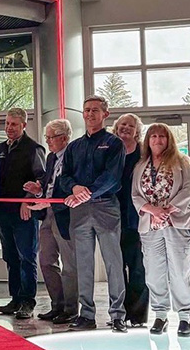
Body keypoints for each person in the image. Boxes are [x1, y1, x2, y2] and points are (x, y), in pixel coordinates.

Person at [60, 95, 127, 333]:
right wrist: (74, 188)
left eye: (95, 110)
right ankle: (86, 315)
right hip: (79, 211)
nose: (89, 114)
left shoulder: (114, 143)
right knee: (84, 264)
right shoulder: (74, 147)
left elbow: (112, 177)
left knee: (113, 263)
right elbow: (64, 176)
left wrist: (86, 193)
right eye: (86, 110)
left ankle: (117, 315)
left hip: (106, 207)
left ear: (105, 114)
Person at [131, 123, 190, 337]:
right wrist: (152, 211)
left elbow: (188, 189)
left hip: (175, 222)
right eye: (153, 136)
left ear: (169, 139)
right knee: (154, 272)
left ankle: (184, 317)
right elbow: (135, 195)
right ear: (147, 140)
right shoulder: (141, 165)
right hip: (150, 225)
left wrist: (166, 211)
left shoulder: (182, 161)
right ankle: (160, 315)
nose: (157, 140)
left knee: (180, 271)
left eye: (162, 136)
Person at [24, 119, 77, 324]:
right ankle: (57, 305)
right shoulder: (50, 157)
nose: (47, 141)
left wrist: (50, 200)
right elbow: (49, 185)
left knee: (69, 265)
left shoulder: (73, 156)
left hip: (66, 214)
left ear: (64, 138)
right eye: (46, 137)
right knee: (46, 261)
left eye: (51, 137)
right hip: (47, 213)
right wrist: (39, 191)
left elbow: (71, 186)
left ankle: (71, 309)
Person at [0, 108, 45, 319]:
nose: (9, 127)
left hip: (24, 214)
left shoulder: (34, 148)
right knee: (10, 257)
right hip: (3, 213)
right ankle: (15, 298)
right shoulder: (0, 149)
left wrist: (28, 200)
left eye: (14, 124)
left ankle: (27, 301)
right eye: (7, 123)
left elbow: (41, 180)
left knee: (27, 257)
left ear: (24, 125)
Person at [114, 113, 149, 327]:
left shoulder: (144, 153)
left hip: (137, 218)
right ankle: (119, 314)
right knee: (116, 268)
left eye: (130, 125)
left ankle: (137, 316)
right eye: (122, 124)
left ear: (137, 131)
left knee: (137, 268)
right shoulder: (111, 150)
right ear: (116, 128)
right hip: (112, 217)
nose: (126, 128)